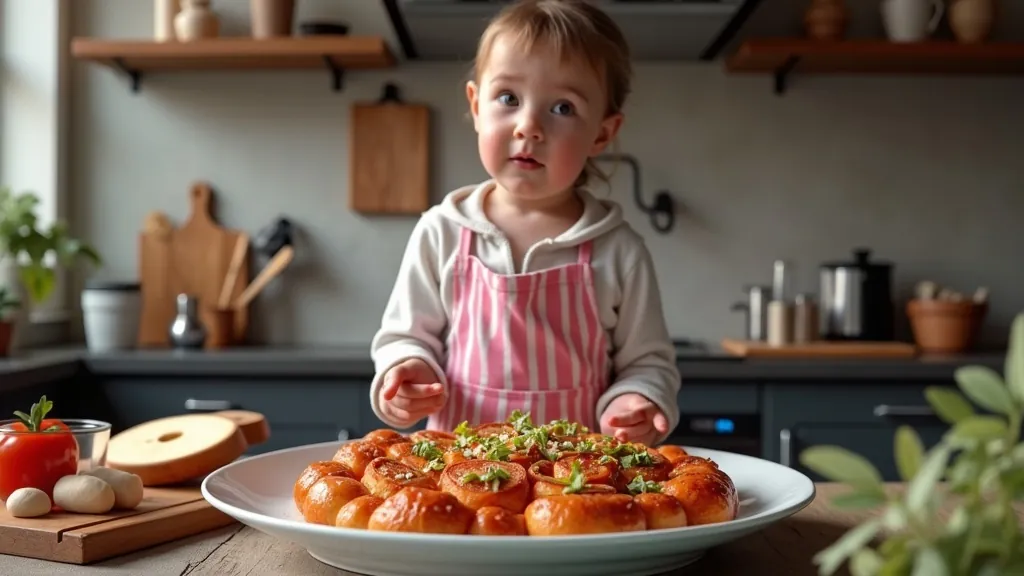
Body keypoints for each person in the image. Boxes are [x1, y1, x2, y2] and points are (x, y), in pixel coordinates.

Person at [368, 0, 680, 447]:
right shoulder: (442, 232)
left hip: (574, 477)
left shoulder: (619, 250)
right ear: (477, 106)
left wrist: (636, 400)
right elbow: (404, 337)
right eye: (509, 99)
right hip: (457, 471)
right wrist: (405, 373)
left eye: (563, 107)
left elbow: (647, 364)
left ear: (602, 132)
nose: (529, 126)